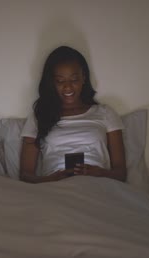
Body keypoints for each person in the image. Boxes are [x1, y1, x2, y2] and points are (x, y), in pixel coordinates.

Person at [19, 46, 127, 183]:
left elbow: (121, 174)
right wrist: (50, 179)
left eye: (74, 80)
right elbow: (25, 175)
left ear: (84, 78)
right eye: (60, 81)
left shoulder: (105, 113)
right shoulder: (39, 116)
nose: (68, 87)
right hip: (55, 188)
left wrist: (99, 173)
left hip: (98, 186)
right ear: (52, 82)